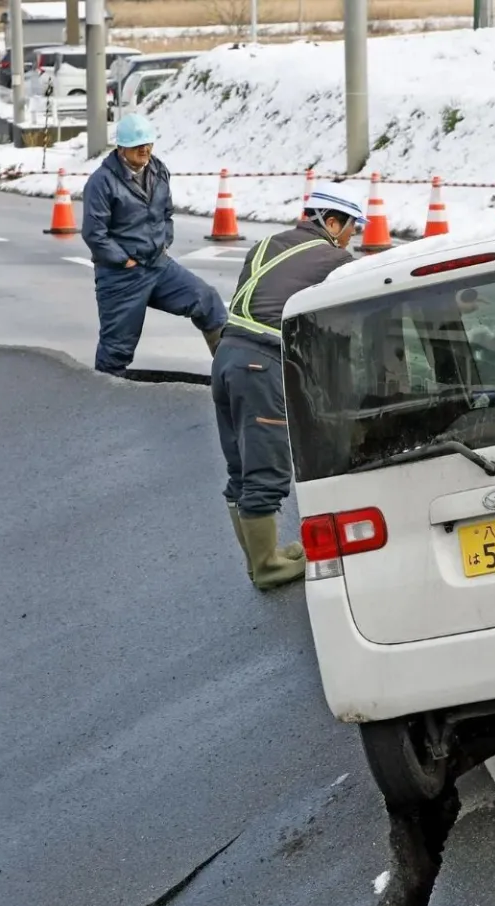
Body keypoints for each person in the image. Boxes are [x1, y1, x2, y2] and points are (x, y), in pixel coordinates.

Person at [213, 182, 363, 590]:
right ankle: (268, 567)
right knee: (267, 466)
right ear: (332, 222)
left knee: (240, 466)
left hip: (227, 356)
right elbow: (336, 329)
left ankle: (258, 560)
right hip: (260, 365)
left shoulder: (265, 245)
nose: (353, 237)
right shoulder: (334, 260)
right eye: (353, 227)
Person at [81, 113, 227, 377]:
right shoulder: (101, 182)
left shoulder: (159, 171)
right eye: (137, 145)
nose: (144, 149)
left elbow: (166, 213)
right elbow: (95, 233)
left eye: (148, 143)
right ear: (121, 148)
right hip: (121, 276)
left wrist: (164, 241)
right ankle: (104, 394)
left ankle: (231, 373)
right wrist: (124, 261)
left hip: (159, 266)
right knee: (116, 351)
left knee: (207, 301)